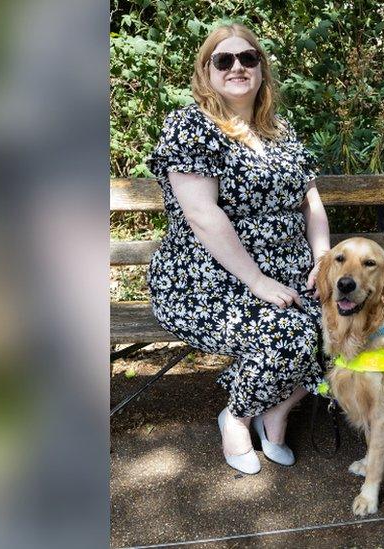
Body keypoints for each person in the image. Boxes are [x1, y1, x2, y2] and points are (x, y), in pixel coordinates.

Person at [146, 23, 331, 474]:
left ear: (261, 69)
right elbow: (203, 216)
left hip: (290, 277)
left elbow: (311, 203)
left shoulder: (280, 131)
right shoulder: (190, 126)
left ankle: (277, 411)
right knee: (289, 334)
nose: (237, 67)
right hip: (206, 282)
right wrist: (258, 281)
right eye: (223, 60)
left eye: (248, 58)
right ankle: (237, 415)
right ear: (206, 71)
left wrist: (324, 259)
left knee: (348, 327)